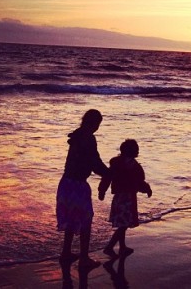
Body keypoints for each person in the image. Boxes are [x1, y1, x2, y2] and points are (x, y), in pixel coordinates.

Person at [56, 109, 109, 269]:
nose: (97, 128)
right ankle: (84, 259)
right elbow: (95, 163)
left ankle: (66, 253)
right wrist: (109, 173)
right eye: (98, 124)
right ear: (94, 123)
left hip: (66, 183)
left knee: (71, 219)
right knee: (85, 220)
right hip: (78, 185)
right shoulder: (88, 138)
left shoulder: (77, 135)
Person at [98, 139, 152, 257]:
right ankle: (109, 247)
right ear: (134, 152)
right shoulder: (134, 166)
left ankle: (122, 247)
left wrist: (102, 190)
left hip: (120, 197)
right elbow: (140, 182)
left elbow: (107, 178)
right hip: (127, 198)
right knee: (123, 225)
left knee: (123, 223)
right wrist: (147, 189)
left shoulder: (117, 164)